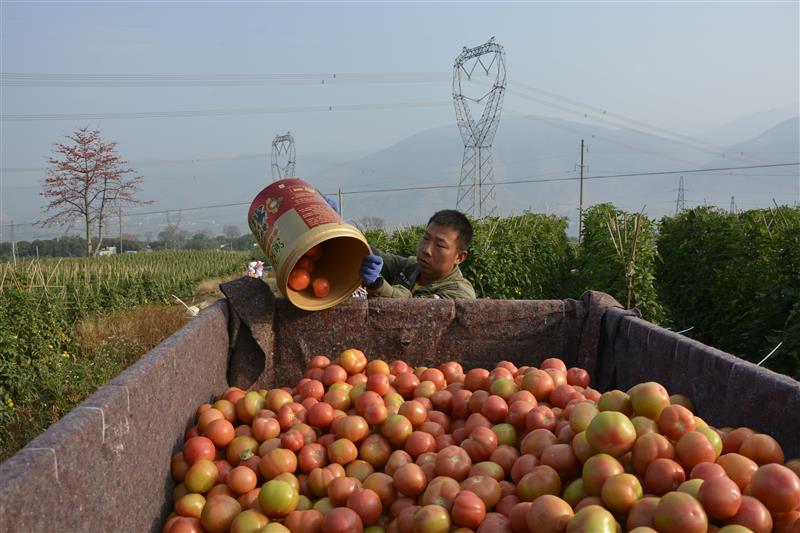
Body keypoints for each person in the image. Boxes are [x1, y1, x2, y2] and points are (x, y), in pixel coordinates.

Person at [359, 209, 476, 299]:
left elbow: (413, 310)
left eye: (440, 245)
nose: (427, 250)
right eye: (426, 238)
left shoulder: (460, 295)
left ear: (459, 257)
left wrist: (377, 284)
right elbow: (375, 254)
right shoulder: (411, 267)